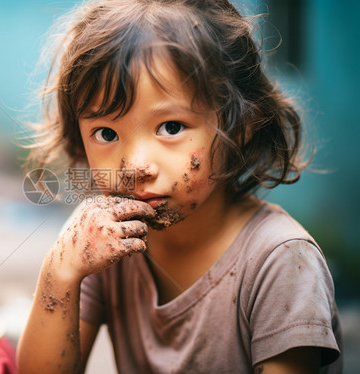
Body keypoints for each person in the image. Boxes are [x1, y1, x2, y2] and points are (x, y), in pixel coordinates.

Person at [17, 0, 343, 373]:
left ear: (241, 126)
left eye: (171, 127)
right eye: (106, 133)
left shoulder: (281, 261)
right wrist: (59, 274)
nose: (135, 167)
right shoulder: (104, 240)